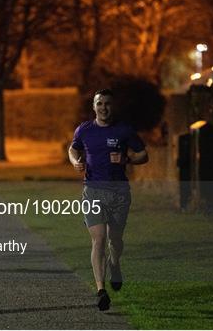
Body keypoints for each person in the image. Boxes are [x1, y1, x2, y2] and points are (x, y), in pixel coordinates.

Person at [68, 88, 149, 311]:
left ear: (113, 107)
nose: (103, 108)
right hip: (92, 191)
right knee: (99, 239)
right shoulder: (84, 130)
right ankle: (101, 291)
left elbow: (144, 154)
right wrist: (75, 162)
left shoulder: (124, 130)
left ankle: (114, 263)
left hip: (119, 193)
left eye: (107, 104)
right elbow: (72, 149)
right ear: (94, 107)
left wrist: (127, 159)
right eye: (99, 103)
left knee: (115, 239)